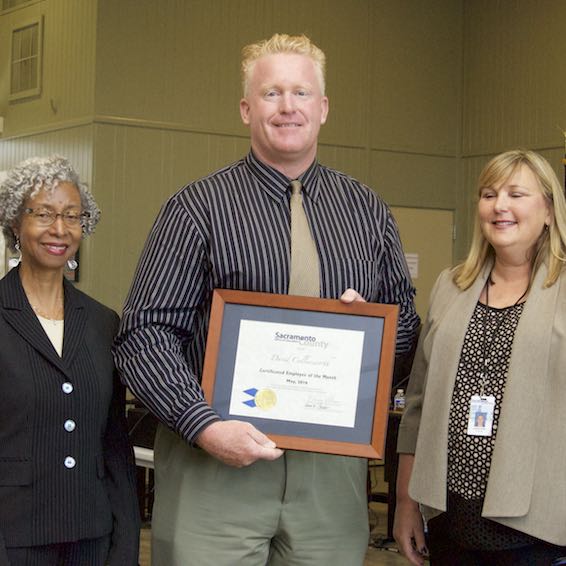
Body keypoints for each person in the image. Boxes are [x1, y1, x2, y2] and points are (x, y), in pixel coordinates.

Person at [114, 33, 419, 566]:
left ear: (322, 108)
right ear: (246, 107)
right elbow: (145, 336)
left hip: (330, 478)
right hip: (215, 468)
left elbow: (407, 329)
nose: (287, 107)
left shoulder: (367, 211)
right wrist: (203, 424)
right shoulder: (196, 208)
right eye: (272, 93)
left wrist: (365, 340)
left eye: (301, 93)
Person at [394, 149, 566, 565]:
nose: (499, 205)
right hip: (452, 521)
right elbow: (416, 405)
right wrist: (405, 502)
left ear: (548, 209)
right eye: (489, 194)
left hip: (539, 532)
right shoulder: (451, 286)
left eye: (515, 194)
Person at [0, 156, 140, 566]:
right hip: (15, 540)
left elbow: (115, 446)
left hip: (93, 538)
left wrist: (126, 545)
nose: (59, 229)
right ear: (14, 222)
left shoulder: (101, 322)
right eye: (43, 214)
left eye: (72, 216)